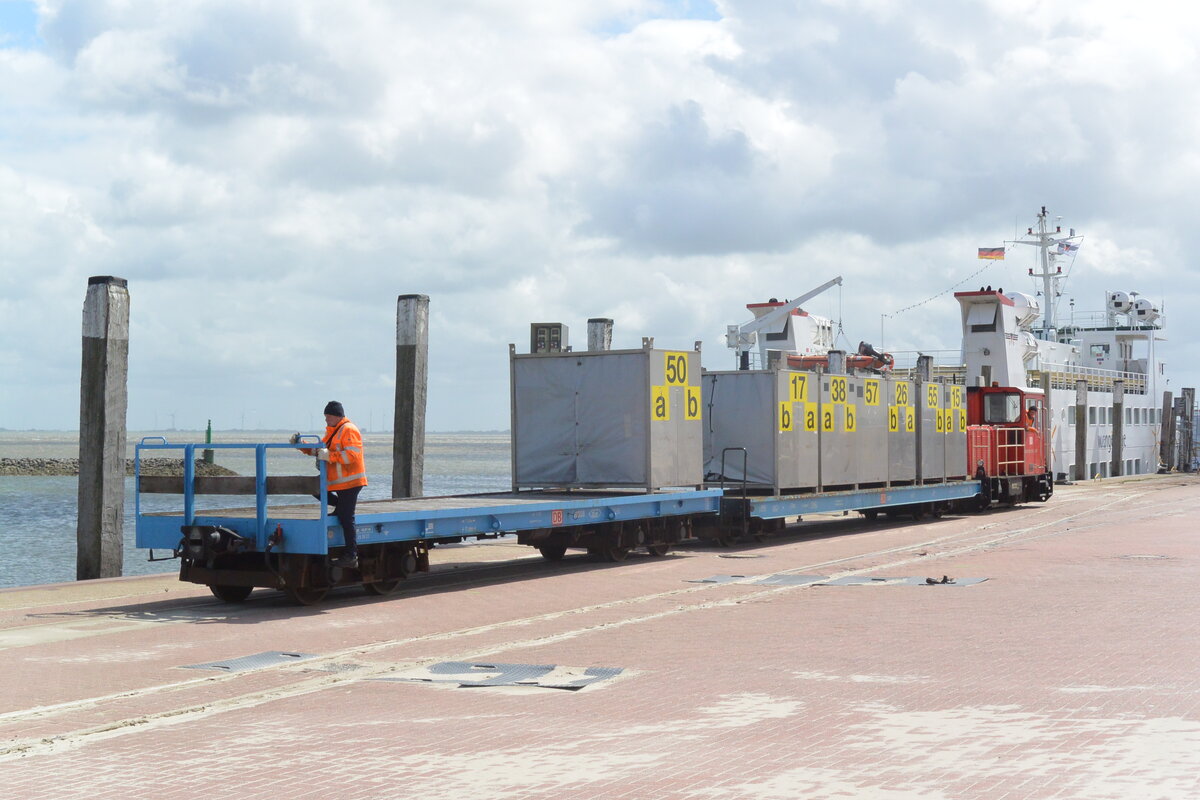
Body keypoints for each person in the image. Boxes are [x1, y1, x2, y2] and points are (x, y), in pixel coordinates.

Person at [292, 401, 367, 568]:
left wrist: (330, 456)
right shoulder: (332, 431)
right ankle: (341, 506)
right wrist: (301, 445)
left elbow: (352, 456)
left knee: (347, 518)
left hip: (351, 481)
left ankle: (351, 555)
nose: (326, 420)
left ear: (337, 416)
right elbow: (320, 451)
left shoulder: (349, 429)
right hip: (338, 482)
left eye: (328, 416)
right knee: (314, 487)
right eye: (325, 417)